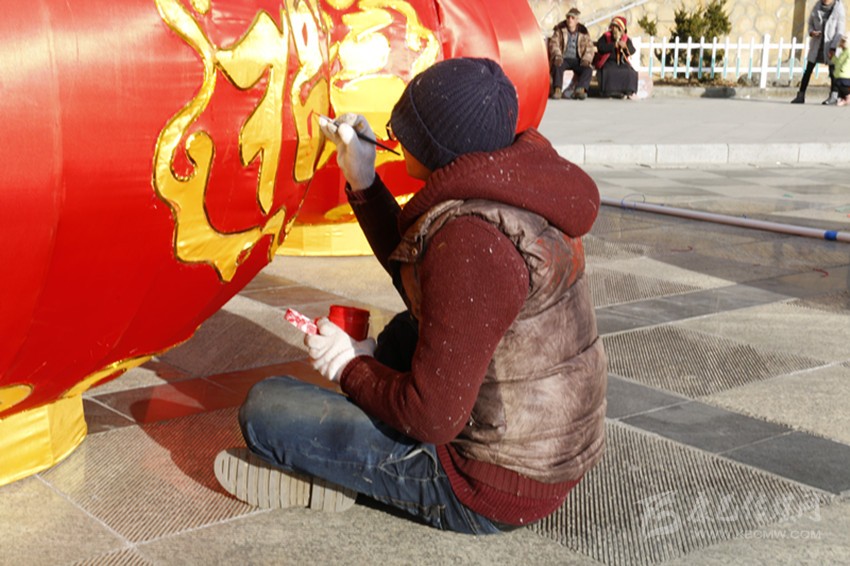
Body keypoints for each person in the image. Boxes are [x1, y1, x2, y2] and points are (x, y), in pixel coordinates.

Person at [213, 58, 607, 535]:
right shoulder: (514, 189)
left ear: (438, 147)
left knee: (266, 409)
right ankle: (349, 448)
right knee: (405, 332)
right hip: (543, 450)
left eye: (406, 132)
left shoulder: (473, 242)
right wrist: (363, 179)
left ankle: (337, 472)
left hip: (487, 483)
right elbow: (423, 276)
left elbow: (432, 415)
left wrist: (351, 366)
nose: (395, 139)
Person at [791, 0, 846, 104]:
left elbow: (840, 31)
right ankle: (800, 95)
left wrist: (833, 47)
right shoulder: (817, 7)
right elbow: (810, 23)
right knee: (808, 70)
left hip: (830, 45)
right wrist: (811, 32)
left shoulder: (838, 8)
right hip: (817, 44)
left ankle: (833, 96)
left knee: (833, 71)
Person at [547, 7, 595, 100]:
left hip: (578, 59)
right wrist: (557, 55)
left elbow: (589, 47)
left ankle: (580, 89)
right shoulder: (560, 29)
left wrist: (586, 59)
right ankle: (557, 89)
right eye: (568, 17)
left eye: (572, 18)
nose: (570, 20)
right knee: (557, 65)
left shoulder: (583, 31)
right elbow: (554, 43)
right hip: (563, 57)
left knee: (588, 69)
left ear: (577, 20)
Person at [594, 16, 639, 99]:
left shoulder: (626, 39)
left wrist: (625, 47)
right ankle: (610, 92)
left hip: (622, 62)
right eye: (613, 27)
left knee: (630, 72)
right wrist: (613, 45)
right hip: (608, 61)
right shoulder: (606, 37)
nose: (615, 29)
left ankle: (629, 91)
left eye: (617, 27)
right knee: (609, 71)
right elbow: (600, 47)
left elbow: (632, 50)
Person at [832, 34, 850, 105]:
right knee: (838, 84)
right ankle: (844, 99)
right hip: (840, 73)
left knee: (841, 84)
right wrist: (833, 57)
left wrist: (843, 68)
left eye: (843, 42)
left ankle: (848, 96)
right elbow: (838, 61)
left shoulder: (848, 51)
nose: (841, 43)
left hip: (845, 73)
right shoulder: (843, 52)